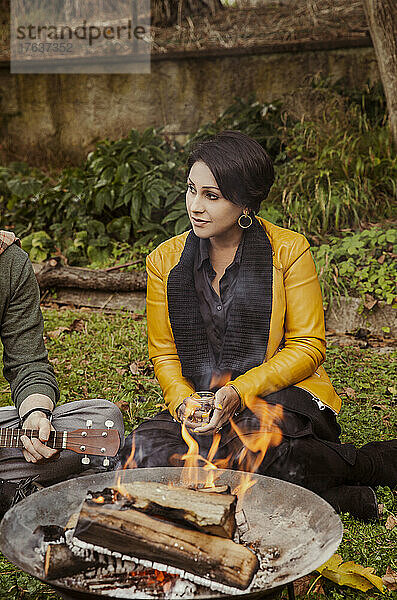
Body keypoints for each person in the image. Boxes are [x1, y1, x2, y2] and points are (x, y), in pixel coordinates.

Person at [119, 130, 396, 521]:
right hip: (204, 404)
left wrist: (239, 390)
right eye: (191, 190)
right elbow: (164, 353)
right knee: (141, 455)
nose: (195, 206)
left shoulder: (288, 250)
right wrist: (183, 402)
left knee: (265, 450)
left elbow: (308, 346)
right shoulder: (164, 262)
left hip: (282, 397)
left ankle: (367, 463)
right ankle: (338, 497)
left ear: (245, 202)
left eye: (211, 196)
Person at [0, 230, 124, 518]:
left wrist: (35, 417)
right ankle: (15, 495)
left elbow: (28, 363)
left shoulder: (10, 264)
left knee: (104, 421)